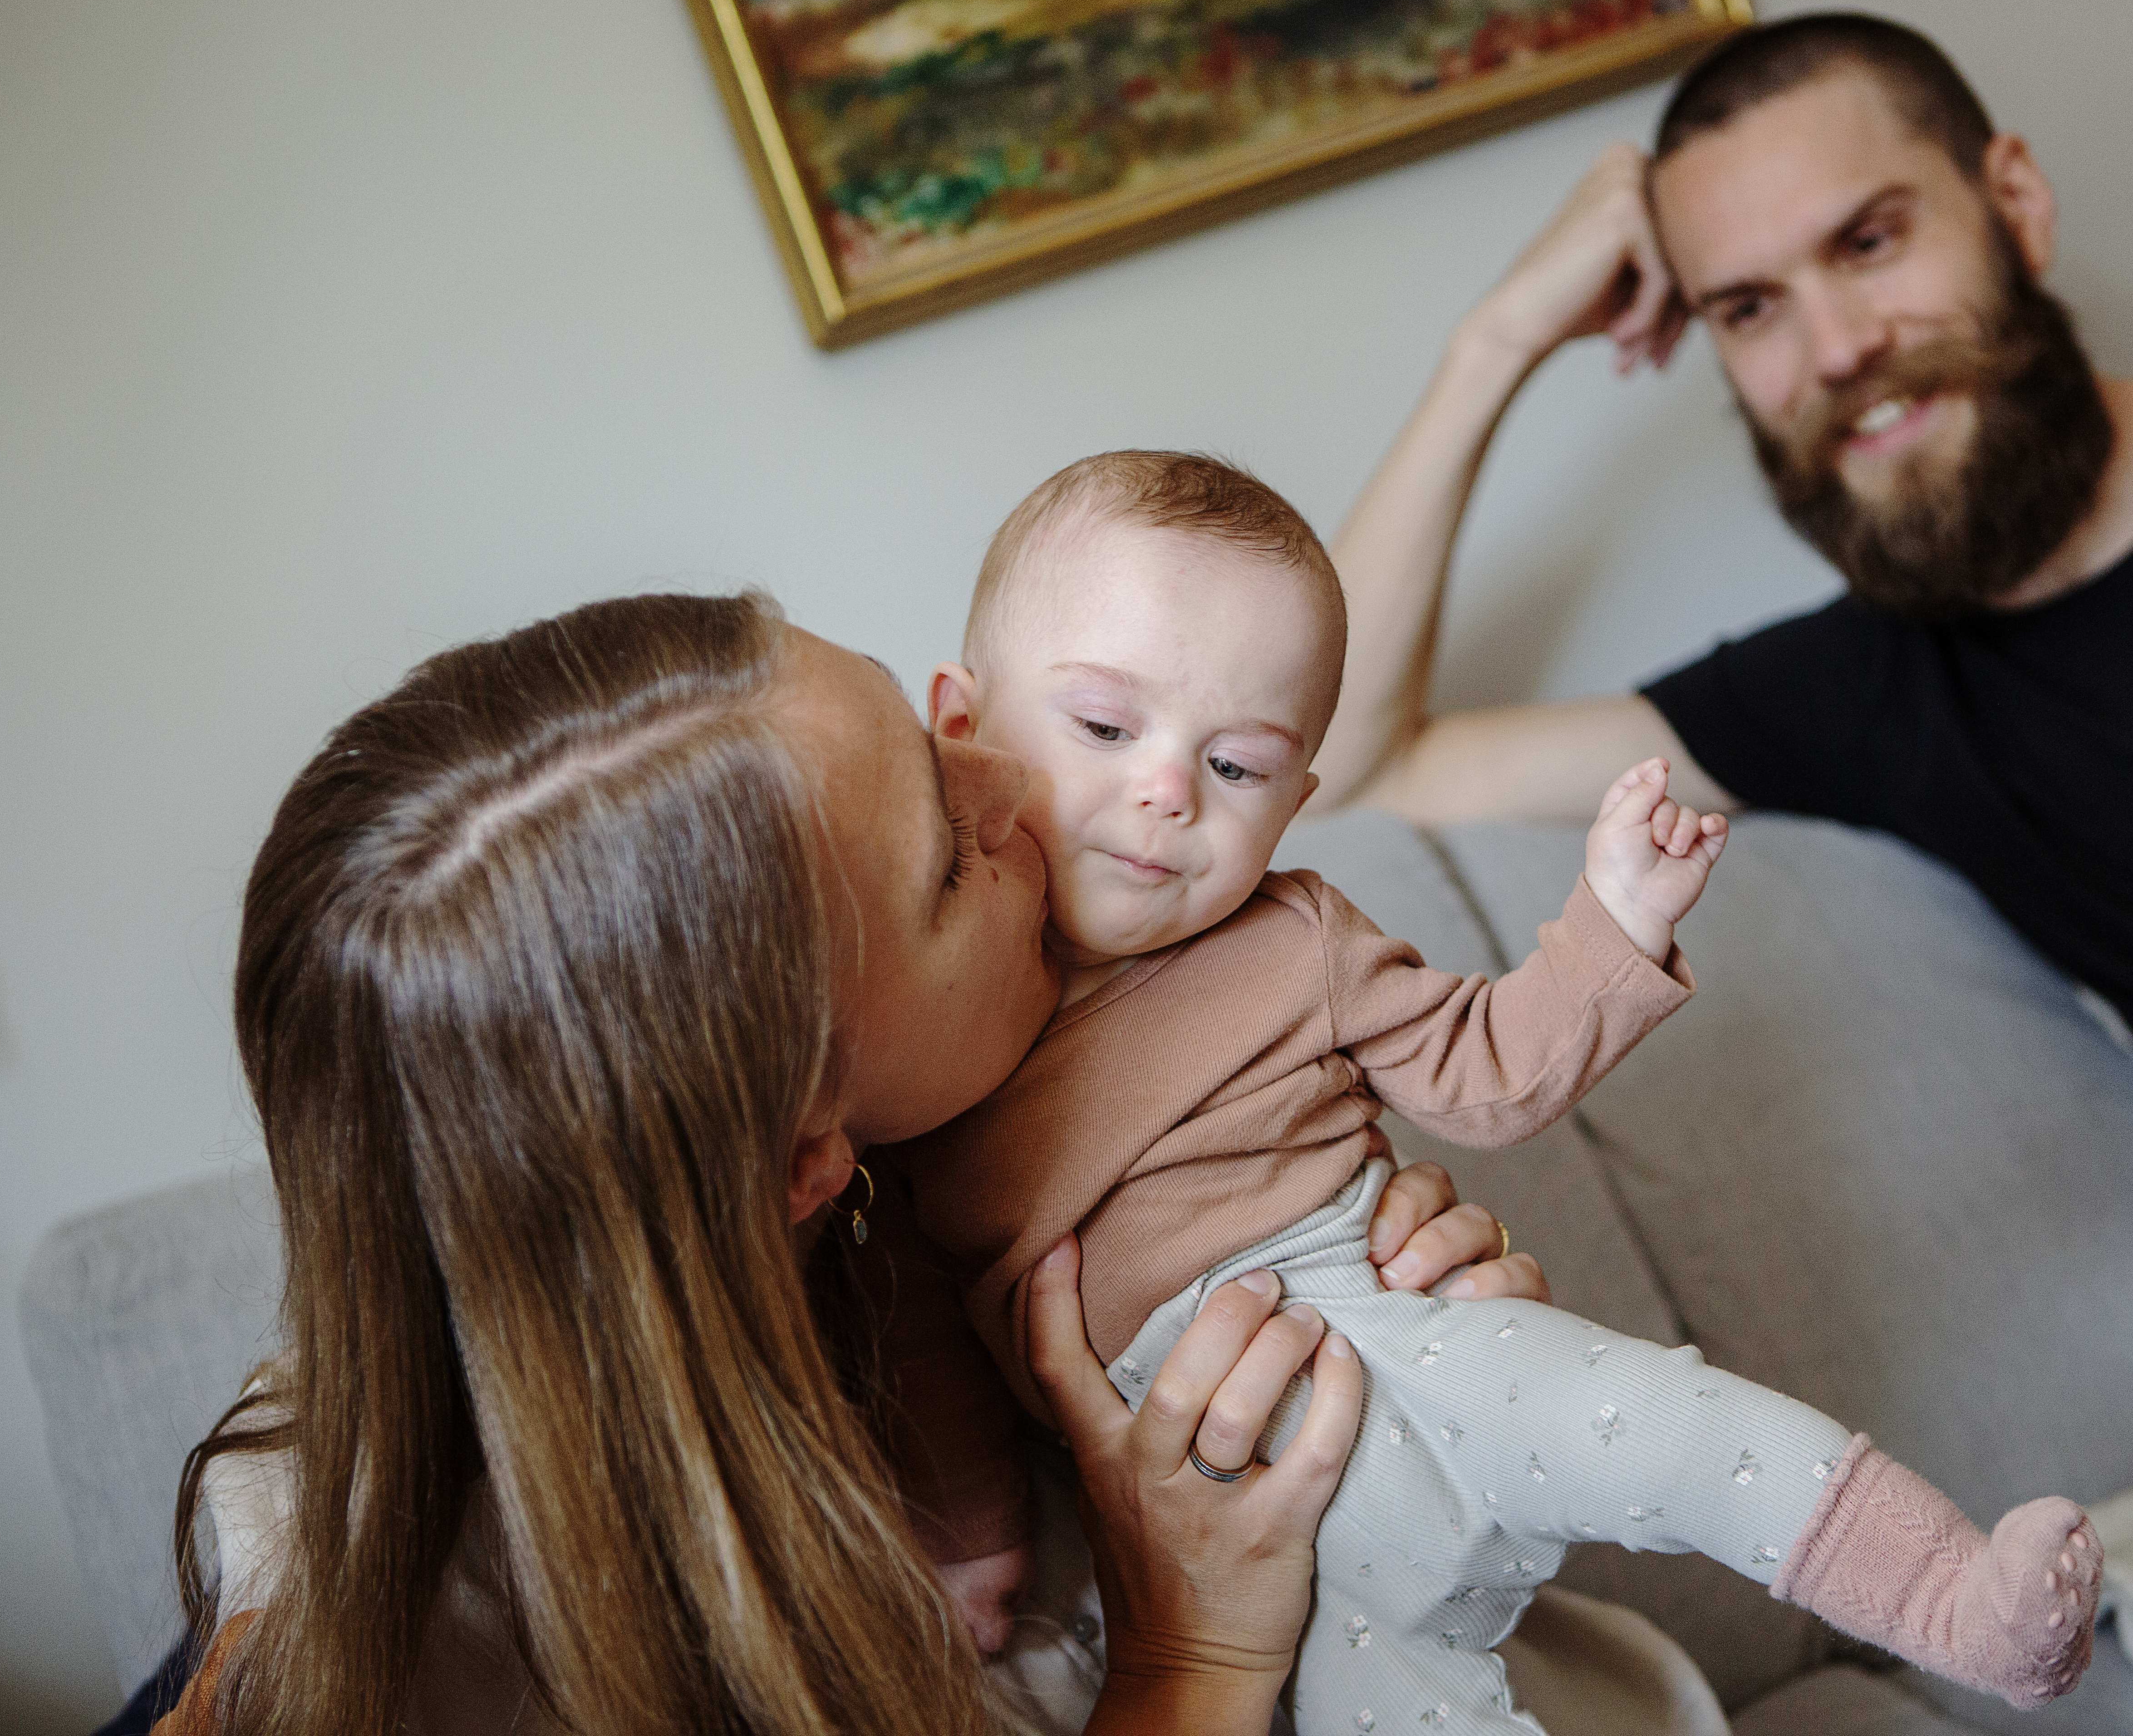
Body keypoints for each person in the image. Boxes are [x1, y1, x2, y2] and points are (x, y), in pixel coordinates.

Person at [1300, 9, 2133, 1723]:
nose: (1837, 346)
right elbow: (1340, 763)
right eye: (1749, 309)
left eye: (1872, 240)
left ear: (2019, 205)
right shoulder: (1874, 694)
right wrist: (1498, 338)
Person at [147, 590, 1557, 1736]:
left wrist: (1388, 1317)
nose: (1026, 787)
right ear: (801, 1162)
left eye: (926, 729)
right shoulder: (420, 1647)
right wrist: (1190, 1667)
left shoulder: (1002, 1150)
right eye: (949, 862)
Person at [872, 448, 2100, 1734]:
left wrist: (1611, 924)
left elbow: (1488, 1069)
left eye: (1235, 768)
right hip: (1241, 1534)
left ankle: (1964, 1603)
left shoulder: (1296, 943)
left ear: (1295, 802)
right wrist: (974, 1538)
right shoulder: (929, 1055)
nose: (1167, 790)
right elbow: (921, 1325)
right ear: (962, 730)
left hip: (1427, 1348)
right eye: (1107, 729)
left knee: (1680, 1428)